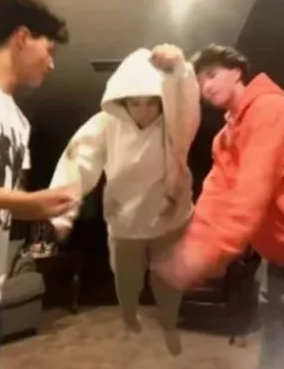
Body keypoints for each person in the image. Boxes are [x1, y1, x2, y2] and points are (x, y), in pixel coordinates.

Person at [153, 44, 284, 369]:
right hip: (279, 259)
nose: (207, 87)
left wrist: (199, 258)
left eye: (213, 75)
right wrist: (191, 250)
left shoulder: (270, 111)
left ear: (238, 72)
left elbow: (248, 197)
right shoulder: (225, 138)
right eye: (201, 82)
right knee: (275, 352)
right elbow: (215, 199)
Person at [48, 43, 200, 356]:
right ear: (122, 102)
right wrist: (62, 213)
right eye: (135, 104)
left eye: (151, 103)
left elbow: (187, 103)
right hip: (125, 220)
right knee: (126, 279)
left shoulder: (174, 123)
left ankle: (169, 322)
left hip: (168, 216)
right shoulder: (106, 124)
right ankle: (129, 314)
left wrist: (180, 68)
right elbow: (79, 161)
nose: (143, 111)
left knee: (169, 282)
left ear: (161, 100)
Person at [0, 0, 77, 369]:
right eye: (49, 50)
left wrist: (47, 211)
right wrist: (28, 202)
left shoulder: (19, 123)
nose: (51, 64)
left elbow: (5, 201)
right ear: (22, 37)